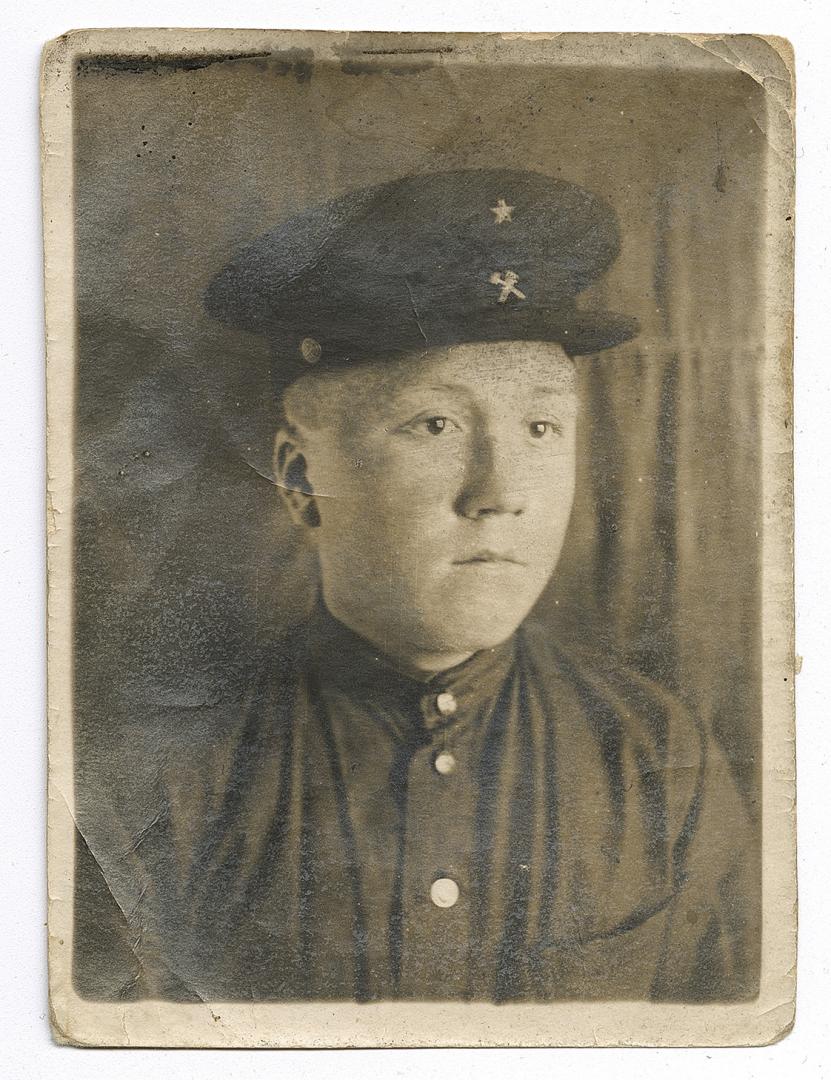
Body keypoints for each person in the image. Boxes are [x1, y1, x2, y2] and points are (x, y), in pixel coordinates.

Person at [76, 169, 759, 1003]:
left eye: (541, 427)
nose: (500, 491)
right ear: (300, 478)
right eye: (436, 424)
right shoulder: (163, 778)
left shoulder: (655, 754)